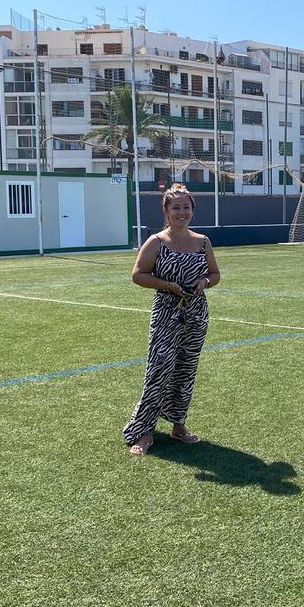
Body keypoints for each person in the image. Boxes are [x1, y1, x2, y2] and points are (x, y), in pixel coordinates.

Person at [123, 184, 221, 455]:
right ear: (166, 211)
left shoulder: (202, 241)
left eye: (186, 207)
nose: (182, 212)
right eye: (176, 207)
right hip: (167, 312)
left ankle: (178, 425)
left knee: (185, 370)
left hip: (196, 313)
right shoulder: (156, 241)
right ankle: (143, 430)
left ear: (193, 210)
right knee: (159, 369)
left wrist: (204, 282)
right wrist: (169, 285)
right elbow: (138, 275)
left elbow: (215, 274)